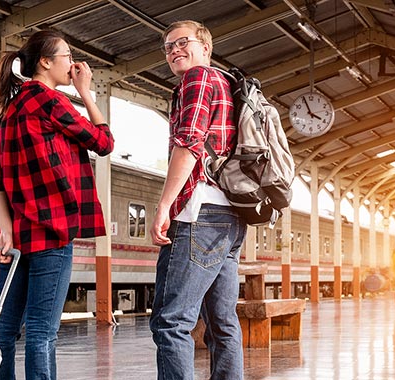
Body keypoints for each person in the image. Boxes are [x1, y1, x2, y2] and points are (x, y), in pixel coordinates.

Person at [0, 30, 114, 380]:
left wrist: (5, 231)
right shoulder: (51, 101)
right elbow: (103, 141)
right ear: (45, 61)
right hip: (52, 236)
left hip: (19, 241)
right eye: (67, 56)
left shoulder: (11, 110)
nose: (72, 63)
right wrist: (86, 91)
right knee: (42, 334)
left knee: (4, 332)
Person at [149, 20, 247, 380]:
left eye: (182, 43)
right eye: (169, 47)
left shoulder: (198, 78)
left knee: (171, 322)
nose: (174, 50)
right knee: (223, 323)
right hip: (231, 217)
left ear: (206, 47)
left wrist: (164, 205)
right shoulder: (225, 82)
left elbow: (189, 142)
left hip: (199, 214)